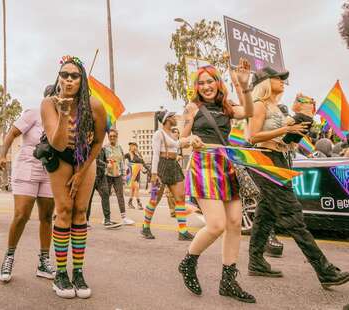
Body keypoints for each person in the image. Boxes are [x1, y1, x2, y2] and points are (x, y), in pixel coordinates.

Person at [247, 66, 349, 289]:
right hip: (266, 161)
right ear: (265, 82)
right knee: (293, 215)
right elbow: (252, 136)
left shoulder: (278, 107)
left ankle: (255, 262)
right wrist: (284, 130)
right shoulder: (259, 105)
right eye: (278, 78)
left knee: (265, 214)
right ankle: (324, 270)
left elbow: (287, 142)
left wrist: (298, 128)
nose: (283, 81)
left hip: (281, 158)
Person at [178, 58, 256, 303]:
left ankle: (228, 281)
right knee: (216, 225)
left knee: (235, 223)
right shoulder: (191, 108)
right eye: (201, 83)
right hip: (204, 166)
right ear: (196, 86)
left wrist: (244, 85)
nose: (205, 86)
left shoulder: (227, 106)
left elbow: (250, 112)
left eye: (209, 81)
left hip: (227, 165)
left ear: (217, 82)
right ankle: (188, 262)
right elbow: (180, 139)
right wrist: (191, 141)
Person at [40, 55, 106, 298]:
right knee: (64, 209)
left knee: (80, 212)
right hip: (60, 158)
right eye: (64, 74)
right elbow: (57, 144)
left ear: (82, 79)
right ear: (58, 77)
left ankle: (77, 272)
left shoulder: (95, 105)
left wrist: (82, 172)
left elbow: (99, 141)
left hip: (86, 159)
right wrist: (65, 113)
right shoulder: (49, 103)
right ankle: (60, 273)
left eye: (74, 75)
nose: (69, 79)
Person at [0, 86, 56, 283]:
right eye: (54, 94)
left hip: (50, 170)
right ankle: (9, 257)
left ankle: (43, 261)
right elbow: (12, 134)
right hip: (27, 165)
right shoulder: (34, 113)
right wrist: (2, 154)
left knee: (47, 217)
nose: (56, 98)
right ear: (46, 97)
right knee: (22, 214)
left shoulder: (62, 119)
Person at [141, 110, 194, 241]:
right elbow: (155, 155)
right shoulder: (159, 134)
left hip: (173, 165)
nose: (175, 118)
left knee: (180, 197)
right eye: (172, 116)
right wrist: (154, 174)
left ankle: (183, 231)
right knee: (154, 199)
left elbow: (176, 146)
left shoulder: (172, 134)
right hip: (161, 167)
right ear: (167, 119)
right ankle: (145, 227)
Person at [104, 129, 135, 225]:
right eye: (110, 136)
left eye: (114, 136)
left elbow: (121, 162)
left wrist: (123, 176)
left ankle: (124, 217)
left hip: (117, 175)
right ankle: (106, 218)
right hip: (107, 175)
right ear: (108, 137)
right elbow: (102, 160)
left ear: (117, 137)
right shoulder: (105, 148)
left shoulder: (120, 148)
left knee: (120, 196)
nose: (112, 137)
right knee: (106, 196)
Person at [86, 147, 122, 229]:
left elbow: (105, 160)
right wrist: (106, 164)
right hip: (90, 175)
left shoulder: (102, 149)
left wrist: (109, 161)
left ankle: (107, 220)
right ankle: (85, 221)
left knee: (106, 194)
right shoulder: (89, 147)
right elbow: (94, 160)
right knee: (88, 199)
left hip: (101, 176)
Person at [124, 142, 148, 210]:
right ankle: (139, 203)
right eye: (131, 146)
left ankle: (130, 203)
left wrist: (146, 170)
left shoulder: (137, 155)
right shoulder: (127, 155)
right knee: (136, 188)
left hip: (137, 174)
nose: (133, 147)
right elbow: (125, 162)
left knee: (133, 189)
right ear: (130, 147)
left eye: (134, 146)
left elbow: (143, 163)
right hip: (130, 173)